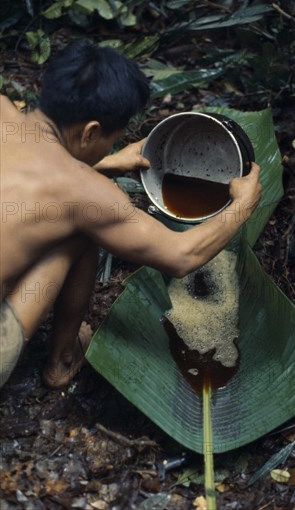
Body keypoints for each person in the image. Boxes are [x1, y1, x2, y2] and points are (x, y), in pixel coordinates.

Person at [0, 40, 262, 390]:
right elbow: (181, 255)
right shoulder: (83, 193)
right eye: (109, 141)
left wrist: (104, 161)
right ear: (91, 131)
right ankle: (62, 361)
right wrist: (243, 206)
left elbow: (37, 167)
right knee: (81, 231)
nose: (108, 148)